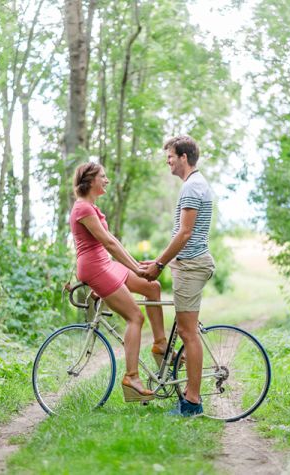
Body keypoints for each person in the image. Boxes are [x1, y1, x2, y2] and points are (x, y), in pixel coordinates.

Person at [70, 162, 170, 403]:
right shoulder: (82, 209)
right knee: (135, 317)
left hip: (106, 264)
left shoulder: (91, 207)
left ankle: (161, 346)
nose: (106, 180)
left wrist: (136, 264)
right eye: (103, 177)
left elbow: (114, 241)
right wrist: (135, 267)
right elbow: (109, 244)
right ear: (90, 180)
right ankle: (131, 378)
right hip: (96, 269)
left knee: (153, 287)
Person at [140, 135, 215, 418]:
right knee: (185, 329)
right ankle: (183, 386)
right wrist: (159, 260)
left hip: (192, 265)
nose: (167, 160)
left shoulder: (193, 186)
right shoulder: (192, 185)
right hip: (187, 264)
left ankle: (192, 402)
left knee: (187, 332)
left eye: (170, 155)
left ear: (184, 157)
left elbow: (185, 233)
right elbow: (181, 233)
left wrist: (159, 264)